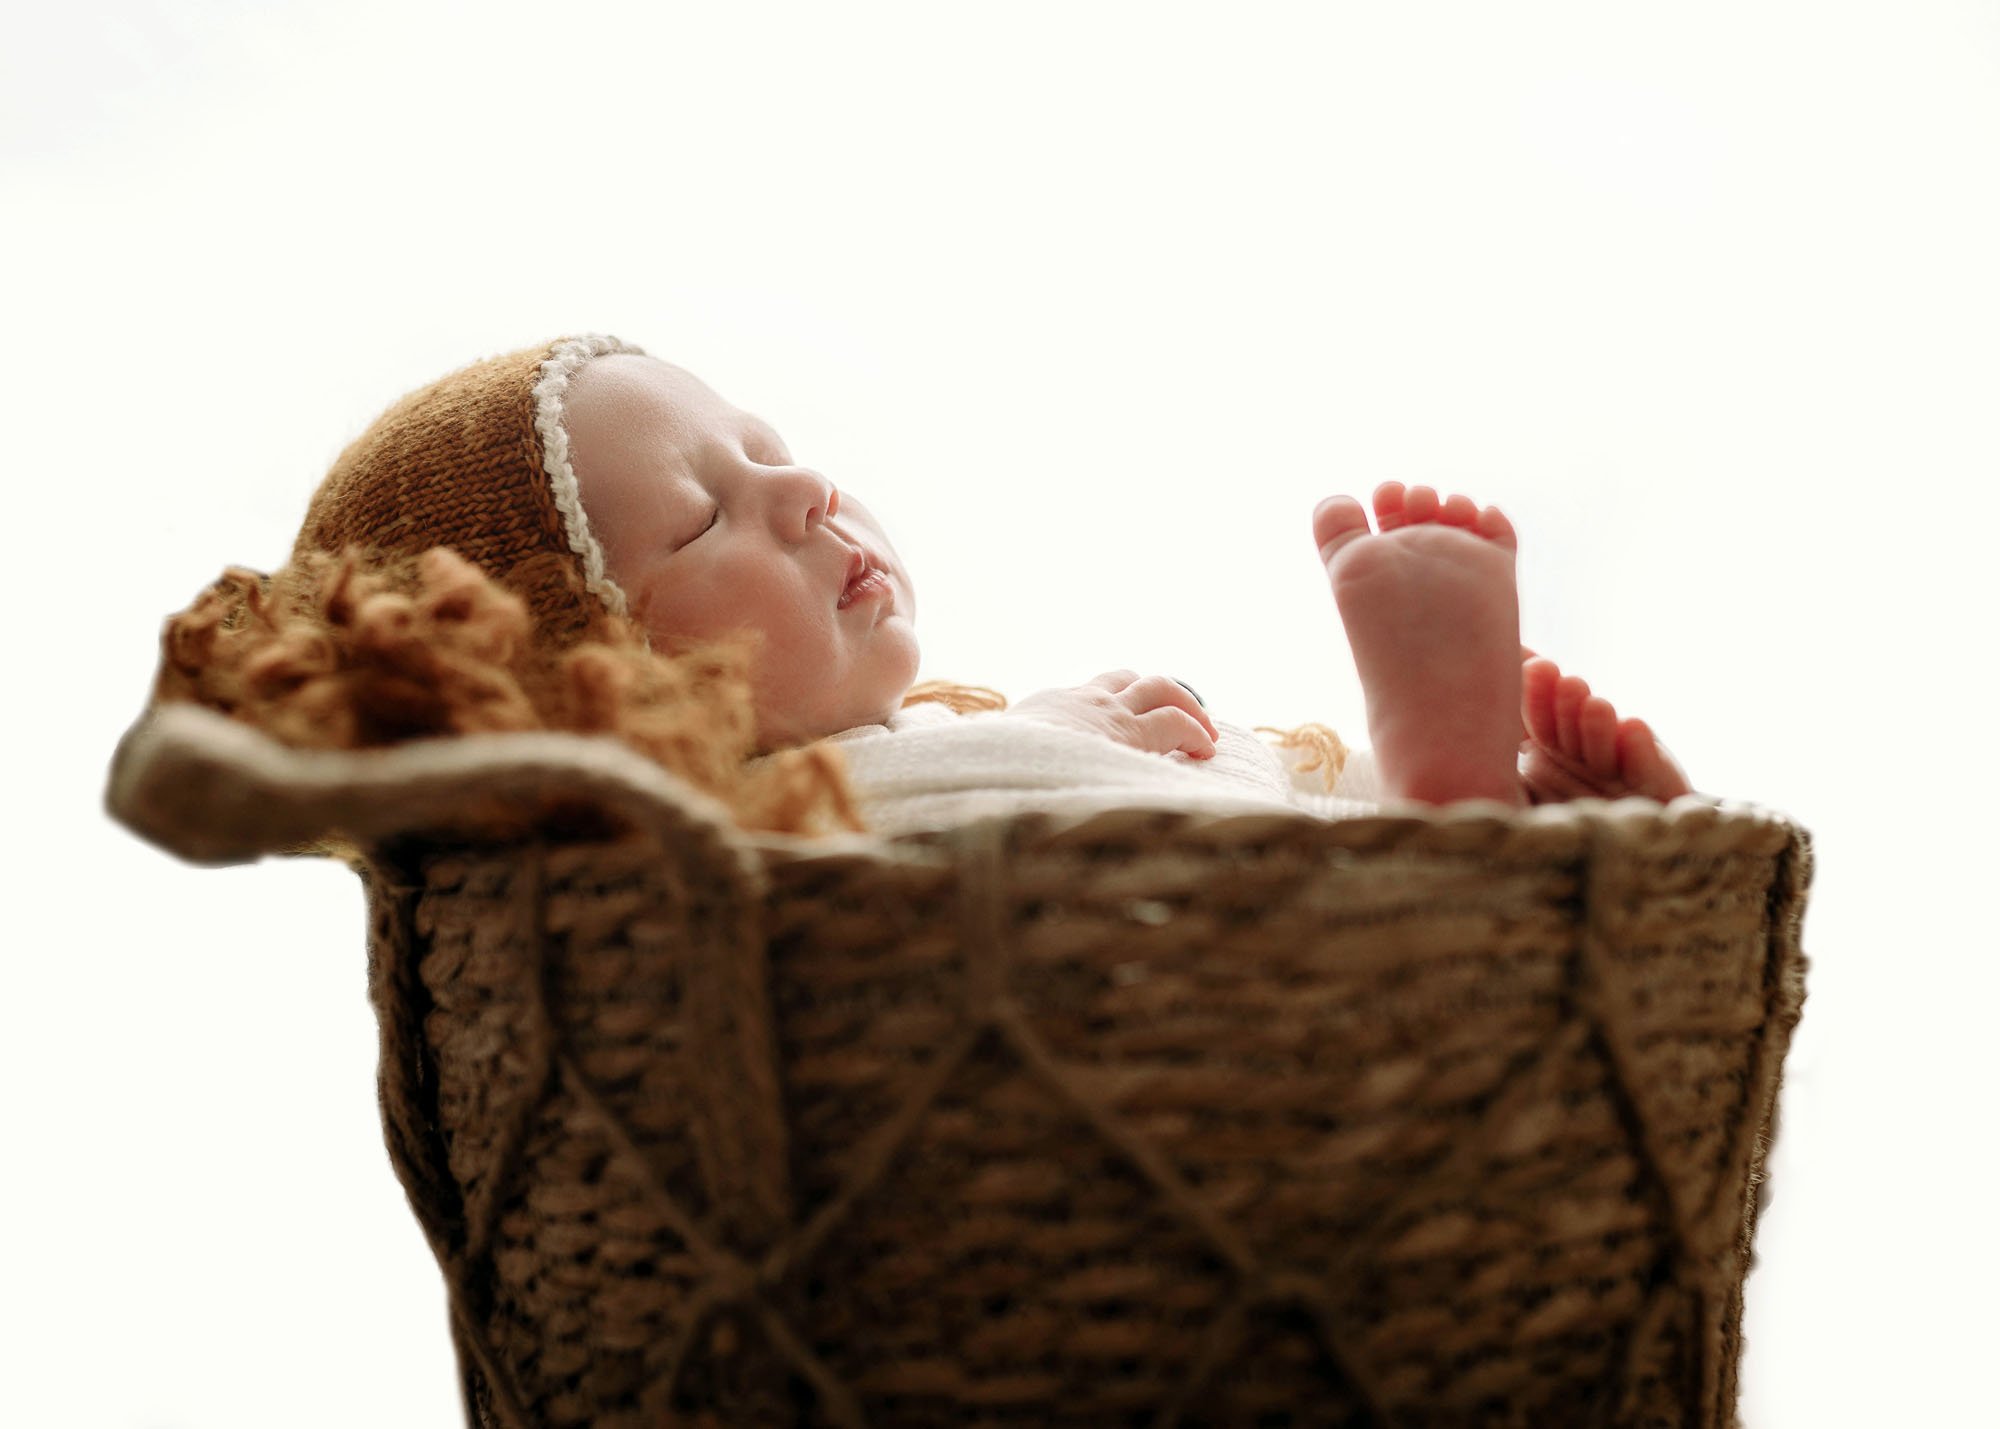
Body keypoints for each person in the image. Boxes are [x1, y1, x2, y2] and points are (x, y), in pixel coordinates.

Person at [287, 334, 1691, 835]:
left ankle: (1488, 819)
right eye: (707, 514)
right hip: (1181, 997)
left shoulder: (922, 745)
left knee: (1271, 782)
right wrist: (1069, 735)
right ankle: (1444, 818)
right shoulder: (742, 830)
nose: (806, 493)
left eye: (774, 451)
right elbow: (976, 811)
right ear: (582, 702)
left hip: (1274, 921)